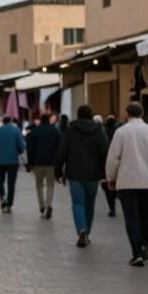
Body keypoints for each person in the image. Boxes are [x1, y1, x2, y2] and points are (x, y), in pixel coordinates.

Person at [105, 102, 148, 267]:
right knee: (145, 215)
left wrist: (110, 178)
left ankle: (136, 252)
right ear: (142, 113)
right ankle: (144, 245)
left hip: (127, 181)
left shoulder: (121, 132)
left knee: (131, 216)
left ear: (127, 114)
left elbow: (113, 158)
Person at [54, 105, 110, 247]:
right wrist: (107, 173)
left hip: (74, 174)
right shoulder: (99, 131)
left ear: (78, 115)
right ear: (91, 115)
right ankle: (87, 232)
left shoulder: (70, 130)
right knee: (89, 204)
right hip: (93, 175)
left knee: (78, 203)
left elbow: (61, 151)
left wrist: (58, 171)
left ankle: (81, 229)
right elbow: (105, 153)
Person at [26, 114, 61, 219]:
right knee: (50, 185)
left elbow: (30, 149)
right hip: (51, 163)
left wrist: (30, 163)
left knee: (39, 185)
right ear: (49, 120)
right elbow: (60, 147)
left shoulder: (34, 132)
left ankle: (42, 206)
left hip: (38, 162)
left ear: (40, 120)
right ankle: (49, 204)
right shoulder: (55, 131)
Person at [0, 117, 25, 212]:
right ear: (11, 121)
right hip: (13, 161)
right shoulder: (16, 131)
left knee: (0, 180)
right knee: (11, 183)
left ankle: (2, 197)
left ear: (3, 122)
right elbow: (21, 147)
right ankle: (9, 203)